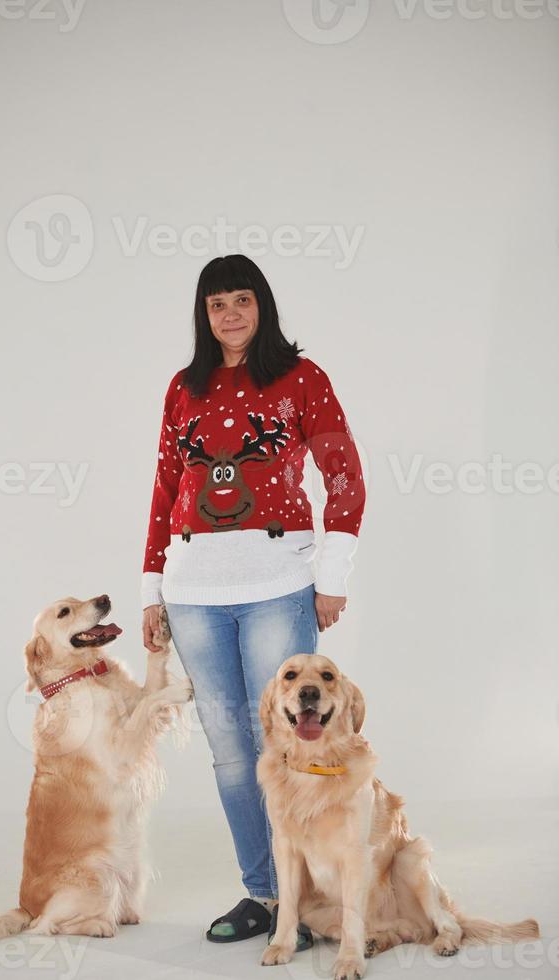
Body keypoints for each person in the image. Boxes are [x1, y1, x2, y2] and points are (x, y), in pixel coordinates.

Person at [141, 254, 366, 945]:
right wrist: (153, 587)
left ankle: (319, 897)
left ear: (261, 305)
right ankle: (268, 898)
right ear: (204, 315)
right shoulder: (185, 388)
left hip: (277, 586)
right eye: (217, 304)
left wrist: (332, 577)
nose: (230, 314)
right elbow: (164, 488)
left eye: (242, 299)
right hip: (195, 596)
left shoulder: (302, 378)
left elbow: (344, 474)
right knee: (233, 753)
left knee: (294, 745)